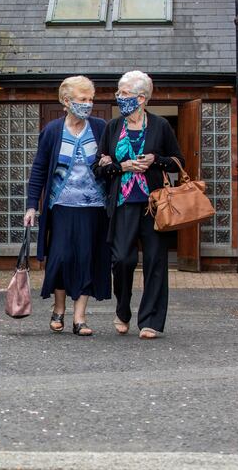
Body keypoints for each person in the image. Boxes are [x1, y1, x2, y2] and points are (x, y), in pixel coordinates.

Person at [95, 70, 184, 339]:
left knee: (156, 262)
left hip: (154, 204)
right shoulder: (113, 127)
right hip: (122, 203)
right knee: (122, 259)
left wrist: (155, 160)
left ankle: (151, 321)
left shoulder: (160, 126)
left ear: (141, 97)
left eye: (123, 93)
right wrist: (120, 166)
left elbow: (179, 162)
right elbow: (98, 169)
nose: (118, 97)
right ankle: (123, 309)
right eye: (118, 92)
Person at [24, 76, 111, 336]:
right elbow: (39, 169)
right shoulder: (52, 130)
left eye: (90, 99)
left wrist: (109, 163)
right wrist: (31, 206)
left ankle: (79, 318)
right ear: (66, 101)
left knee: (86, 258)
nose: (88, 104)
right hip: (60, 205)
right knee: (61, 257)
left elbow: (113, 161)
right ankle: (59, 309)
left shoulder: (100, 127)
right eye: (82, 99)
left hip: (94, 206)